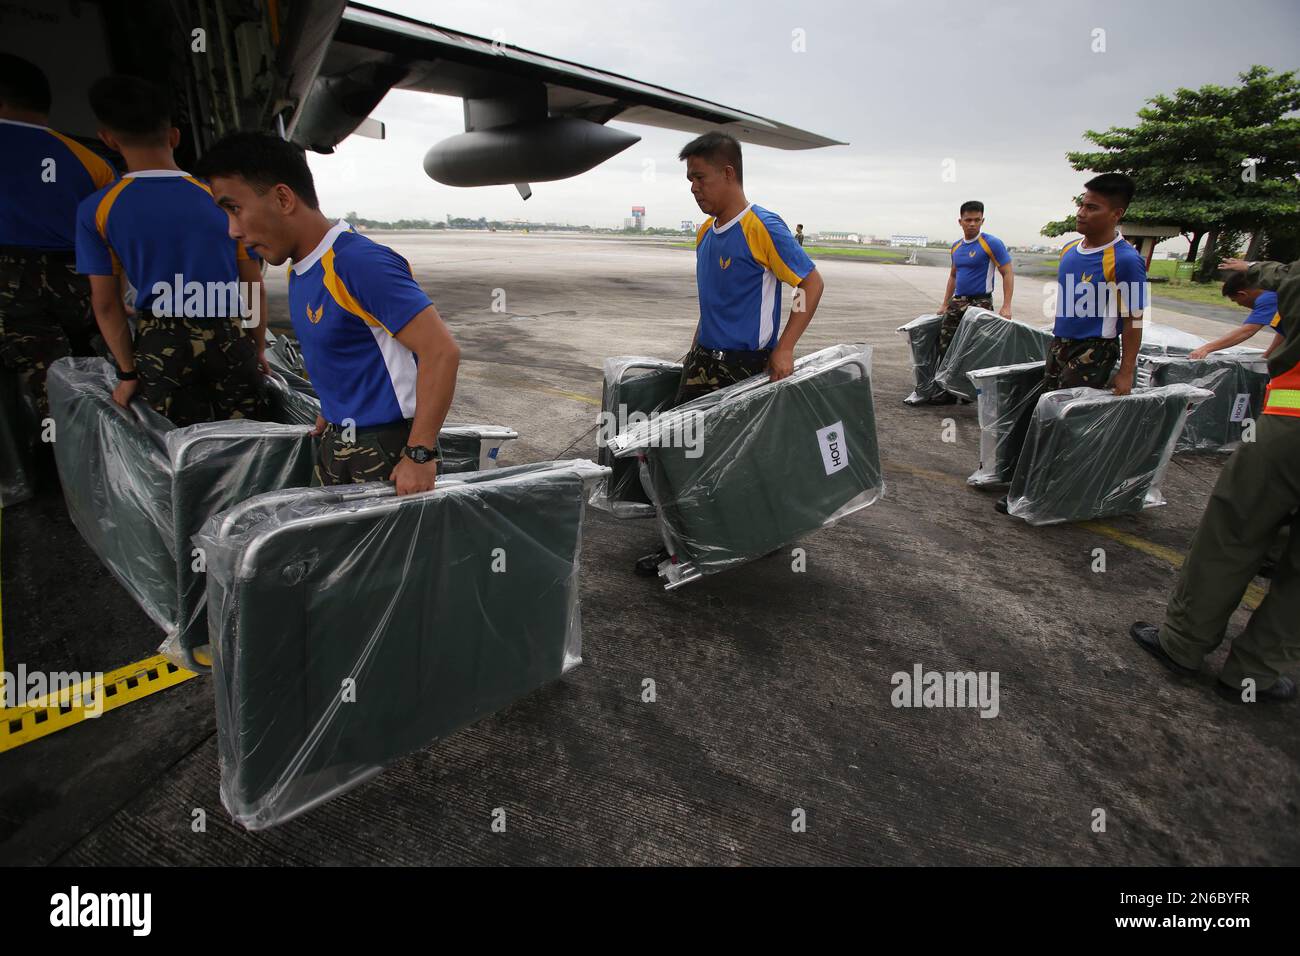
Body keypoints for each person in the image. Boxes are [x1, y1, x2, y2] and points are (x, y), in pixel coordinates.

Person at [196, 131, 460, 495]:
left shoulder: (357, 263)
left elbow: (441, 352)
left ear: (283, 198)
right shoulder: (301, 267)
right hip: (339, 436)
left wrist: (419, 454)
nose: (232, 230)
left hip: (386, 447)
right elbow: (349, 349)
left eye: (234, 208)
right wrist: (334, 406)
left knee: (383, 552)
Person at [634, 131, 824, 576]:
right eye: (689, 179)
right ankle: (693, 543)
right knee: (688, 456)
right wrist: (694, 348)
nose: (693, 187)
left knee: (735, 461)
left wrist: (786, 347)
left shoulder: (762, 226)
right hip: (703, 361)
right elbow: (712, 302)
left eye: (700, 178)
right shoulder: (705, 234)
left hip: (743, 367)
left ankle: (718, 544)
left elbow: (809, 285)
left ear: (728, 173)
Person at [1130, 254, 1300, 704]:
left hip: (1292, 424)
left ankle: (1183, 645)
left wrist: (1256, 265)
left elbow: (1286, 276)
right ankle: (1257, 674)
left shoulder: (1280, 283)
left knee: (1233, 536)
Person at [75, 75, 266, 426]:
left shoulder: (97, 209)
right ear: (175, 136)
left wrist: (128, 372)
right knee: (250, 443)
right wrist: (255, 347)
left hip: (161, 345)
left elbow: (105, 303)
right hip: (227, 335)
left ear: (108, 140)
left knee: (177, 452)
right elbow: (251, 285)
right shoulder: (220, 199)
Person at [995, 173, 1147, 513]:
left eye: (1092, 207)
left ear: (1116, 214)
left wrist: (1126, 370)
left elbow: (1133, 319)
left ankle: (1048, 495)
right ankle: (1030, 484)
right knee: (1045, 416)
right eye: (1081, 204)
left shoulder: (1125, 260)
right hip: (1060, 346)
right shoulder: (1069, 251)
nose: (1081, 212)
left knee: (1066, 424)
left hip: (1093, 351)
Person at [0, 54, 115, 421]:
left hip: (9, 289)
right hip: (79, 284)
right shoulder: (91, 161)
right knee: (75, 390)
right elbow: (112, 240)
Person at [932, 201, 1014, 375]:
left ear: (982, 221)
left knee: (975, 348)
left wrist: (1006, 306)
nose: (972, 224)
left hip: (980, 302)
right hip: (958, 301)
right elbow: (953, 276)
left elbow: (1007, 273)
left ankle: (968, 390)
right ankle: (946, 388)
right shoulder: (956, 247)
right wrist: (945, 304)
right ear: (960, 221)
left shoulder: (991, 243)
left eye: (977, 220)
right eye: (968, 220)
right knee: (945, 344)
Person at [1187, 273, 1284, 360]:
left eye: (1236, 300)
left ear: (1242, 294)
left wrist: (1206, 348)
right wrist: (1267, 355)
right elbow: (1285, 332)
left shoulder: (1267, 299)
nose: (1239, 305)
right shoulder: (1276, 296)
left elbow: (1247, 331)